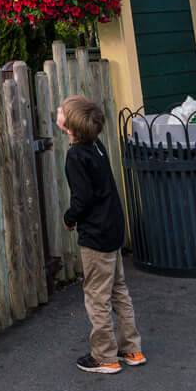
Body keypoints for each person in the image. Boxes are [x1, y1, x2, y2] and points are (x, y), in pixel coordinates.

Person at [57, 93, 144, 375]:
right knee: (119, 290)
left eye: (62, 111)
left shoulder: (75, 156)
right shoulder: (96, 146)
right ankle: (132, 348)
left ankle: (105, 356)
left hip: (96, 236)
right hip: (113, 228)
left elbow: (82, 199)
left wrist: (69, 219)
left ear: (70, 126)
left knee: (97, 296)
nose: (58, 111)